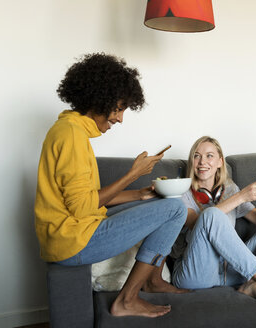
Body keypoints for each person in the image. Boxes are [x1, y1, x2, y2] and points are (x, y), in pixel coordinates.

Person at [34, 53, 188, 318]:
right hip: (72, 240)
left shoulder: (70, 130)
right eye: (119, 108)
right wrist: (132, 174)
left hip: (72, 232)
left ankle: (151, 280)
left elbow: (87, 199)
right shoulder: (71, 135)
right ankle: (127, 299)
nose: (120, 119)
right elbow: (84, 208)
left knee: (163, 204)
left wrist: (139, 193)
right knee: (175, 209)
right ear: (99, 100)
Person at [170, 136, 256, 314]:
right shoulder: (180, 191)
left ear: (220, 161)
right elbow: (198, 222)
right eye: (197, 156)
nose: (202, 161)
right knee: (211, 214)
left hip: (232, 269)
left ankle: (252, 281)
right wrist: (242, 196)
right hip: (197, 274)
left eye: (209, 156)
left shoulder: (229, 189)